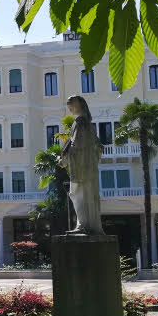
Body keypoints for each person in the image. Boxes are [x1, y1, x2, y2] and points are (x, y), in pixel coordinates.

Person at [59, 95, 105, 234]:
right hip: (89, 168)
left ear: (76, 106)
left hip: (81, 168)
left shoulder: (79, 122)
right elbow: (98, 146)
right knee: (87, 196)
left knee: (78, 194)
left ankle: (83, 225)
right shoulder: (88, 123)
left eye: (71, 107)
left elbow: (75, 146)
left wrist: (64, 160)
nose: (70, 110)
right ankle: (87, 225)